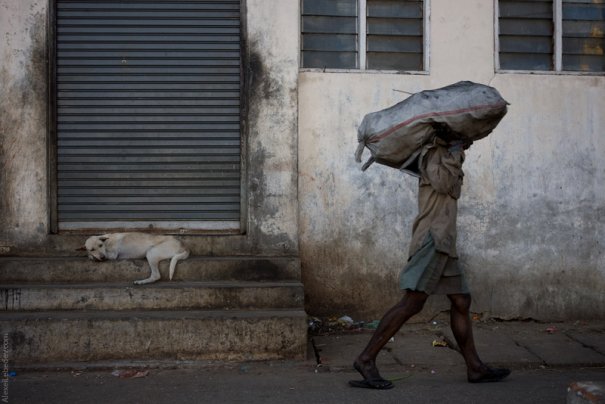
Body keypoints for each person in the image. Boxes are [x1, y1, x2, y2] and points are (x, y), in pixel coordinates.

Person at [350, 133, 511, 389]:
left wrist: (457, 153)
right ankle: (366, 359)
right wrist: (456, 151)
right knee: (412, 303)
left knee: (461, 300)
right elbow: (444, 184)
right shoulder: (432, 154)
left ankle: (475, 367)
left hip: (445, 241)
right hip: (432, 240)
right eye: (463, 136)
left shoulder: (448, 154)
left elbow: (452, 190)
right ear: (451, 134)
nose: (469, 141)